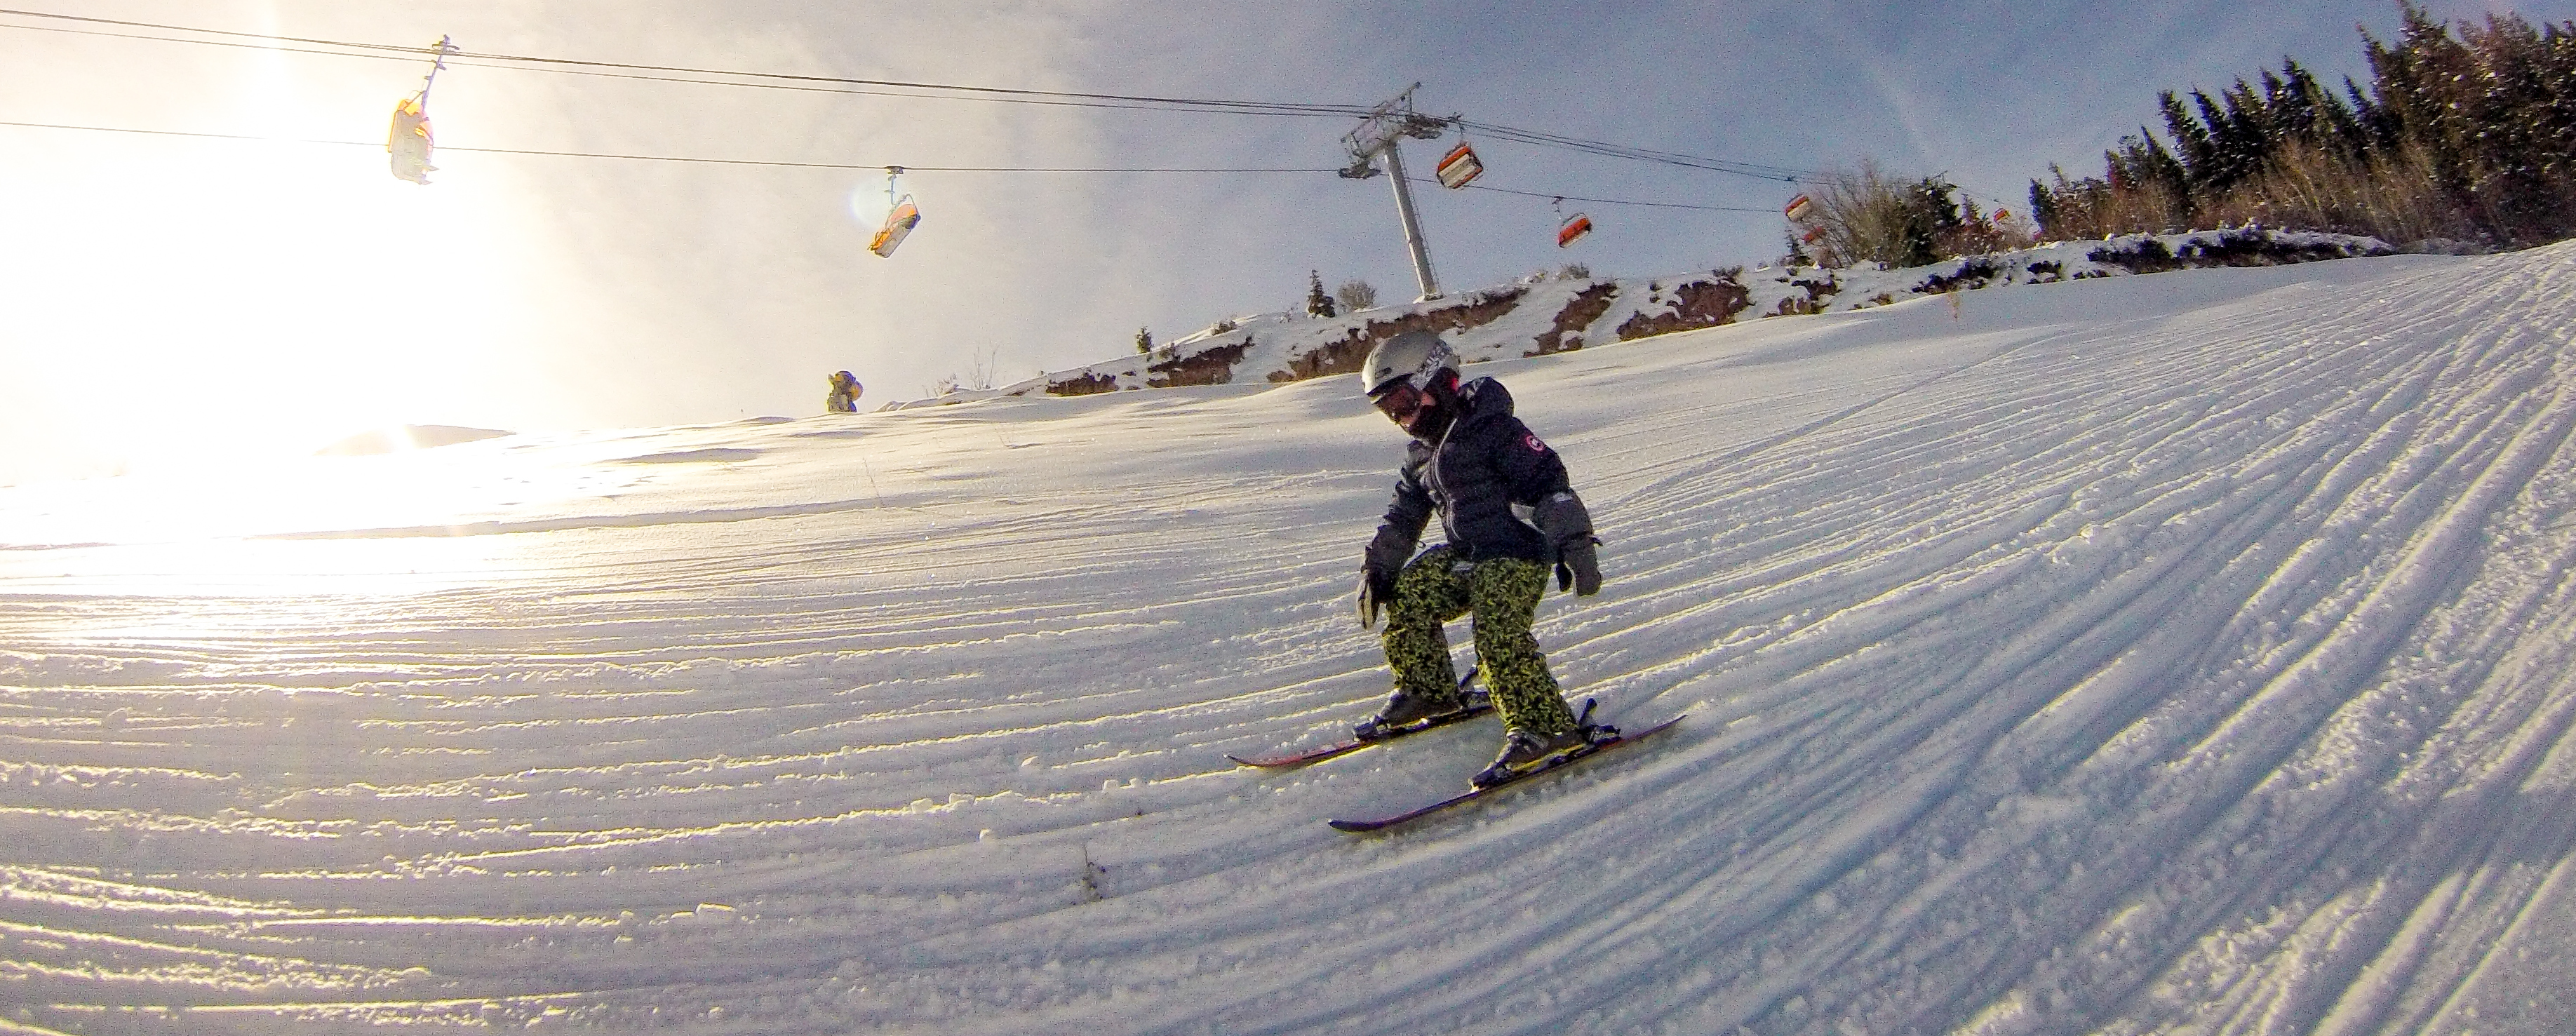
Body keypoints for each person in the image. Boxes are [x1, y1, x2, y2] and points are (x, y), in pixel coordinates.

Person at [1353, 330, 1604, 787]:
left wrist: (1575, 542)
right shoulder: (1421, 454)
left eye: (1405, 400)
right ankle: (1430, 689)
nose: (1401, 417)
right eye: (1389, 409)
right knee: (1410, 592)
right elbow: (1403, 516)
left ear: (1436, 377)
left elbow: (1548, 483)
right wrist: (1379, 566)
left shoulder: (1493, 429)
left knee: (1496, 627)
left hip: (1516, 552)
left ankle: (1546, 725)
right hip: (1468, 554)